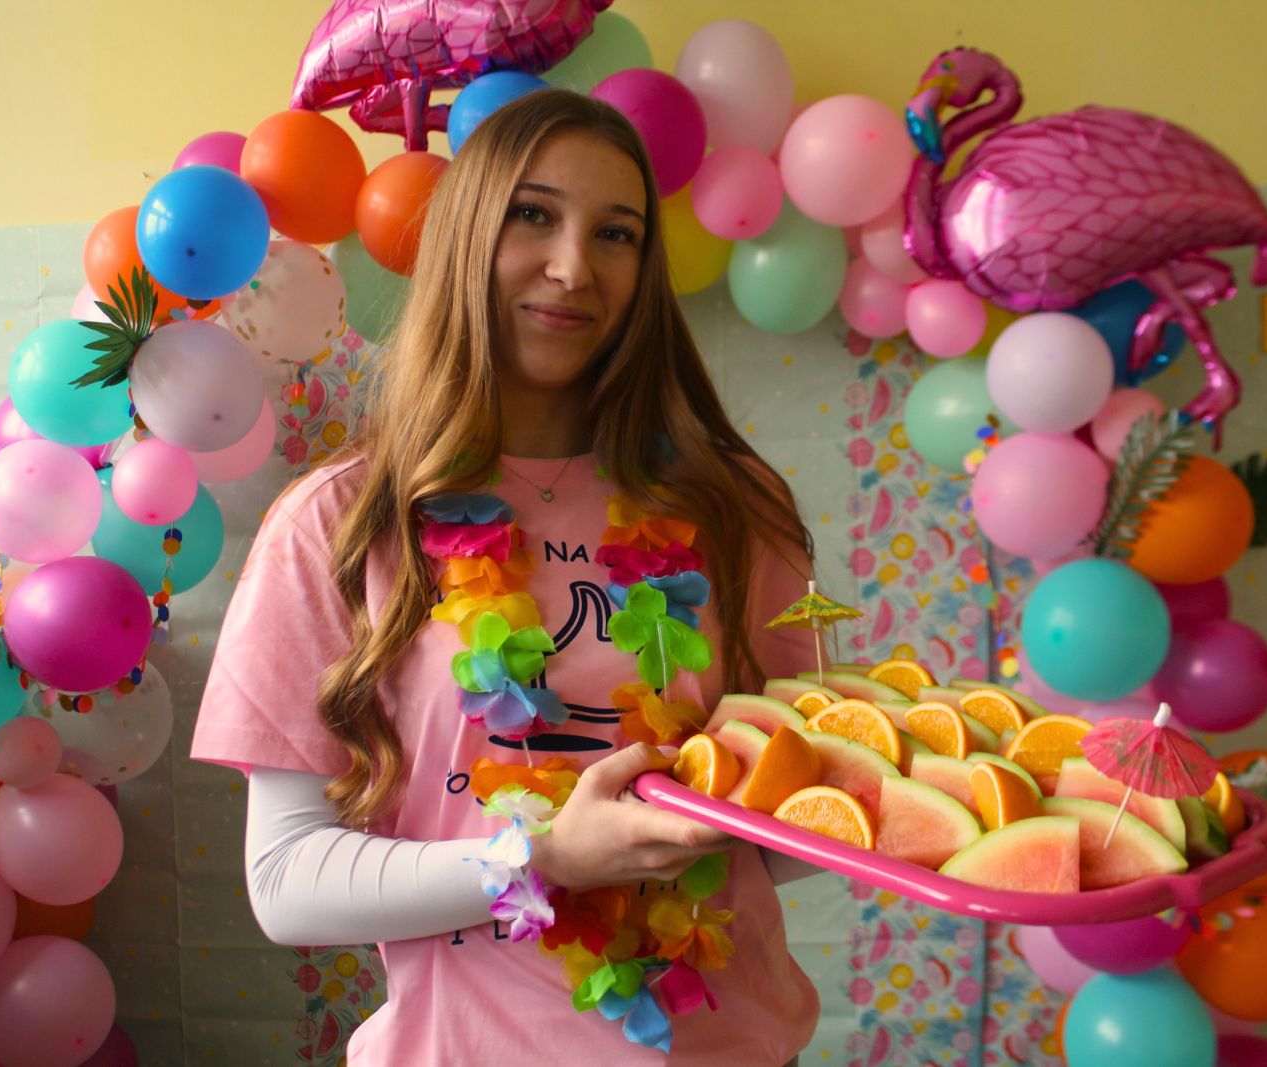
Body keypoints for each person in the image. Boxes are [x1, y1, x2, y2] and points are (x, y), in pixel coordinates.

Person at [192, 89, 824, 1066]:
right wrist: (543, 857)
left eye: (615, 233)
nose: (573, 267)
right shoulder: (342, 519)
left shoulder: (737, 506)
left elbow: (794, 825)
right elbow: (286, 879)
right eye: (534, 215)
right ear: (466, 237)